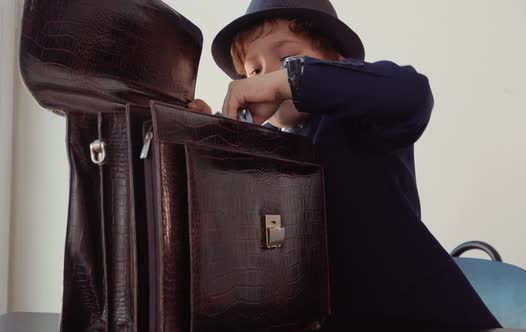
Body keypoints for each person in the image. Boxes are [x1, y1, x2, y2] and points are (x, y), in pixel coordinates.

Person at [188, 0, 502, 329]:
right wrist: (206, 133)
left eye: (286, 59)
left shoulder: (359, 121)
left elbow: (413, 92)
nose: (267, 76)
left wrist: (290, 81)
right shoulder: (270, 148)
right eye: (254, 71)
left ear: (338, 63)